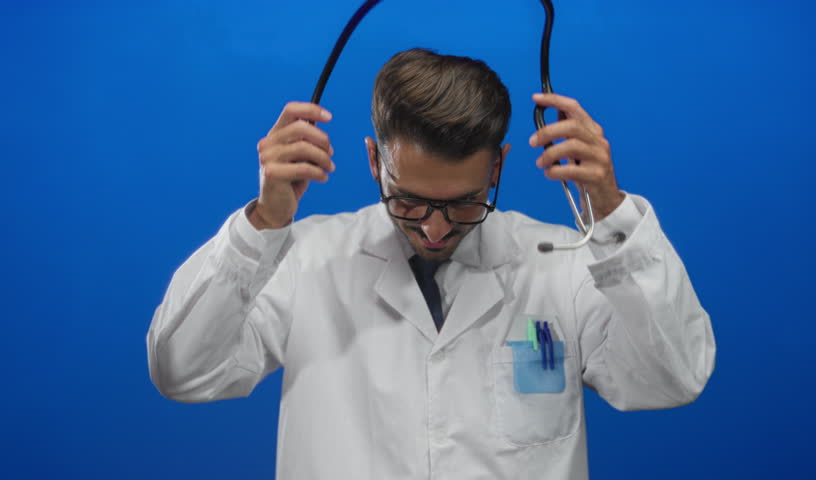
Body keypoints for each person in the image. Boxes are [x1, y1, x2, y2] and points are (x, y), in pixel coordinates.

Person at [147, 48, 715, 479]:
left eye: (464, 201)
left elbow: (674, 378)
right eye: (409, 201)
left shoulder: (561, 265)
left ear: (497, 168)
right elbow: (183, 371)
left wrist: (612, 213)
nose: (436, 228)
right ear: (375, 161)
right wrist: (262, 228)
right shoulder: (306, 260)